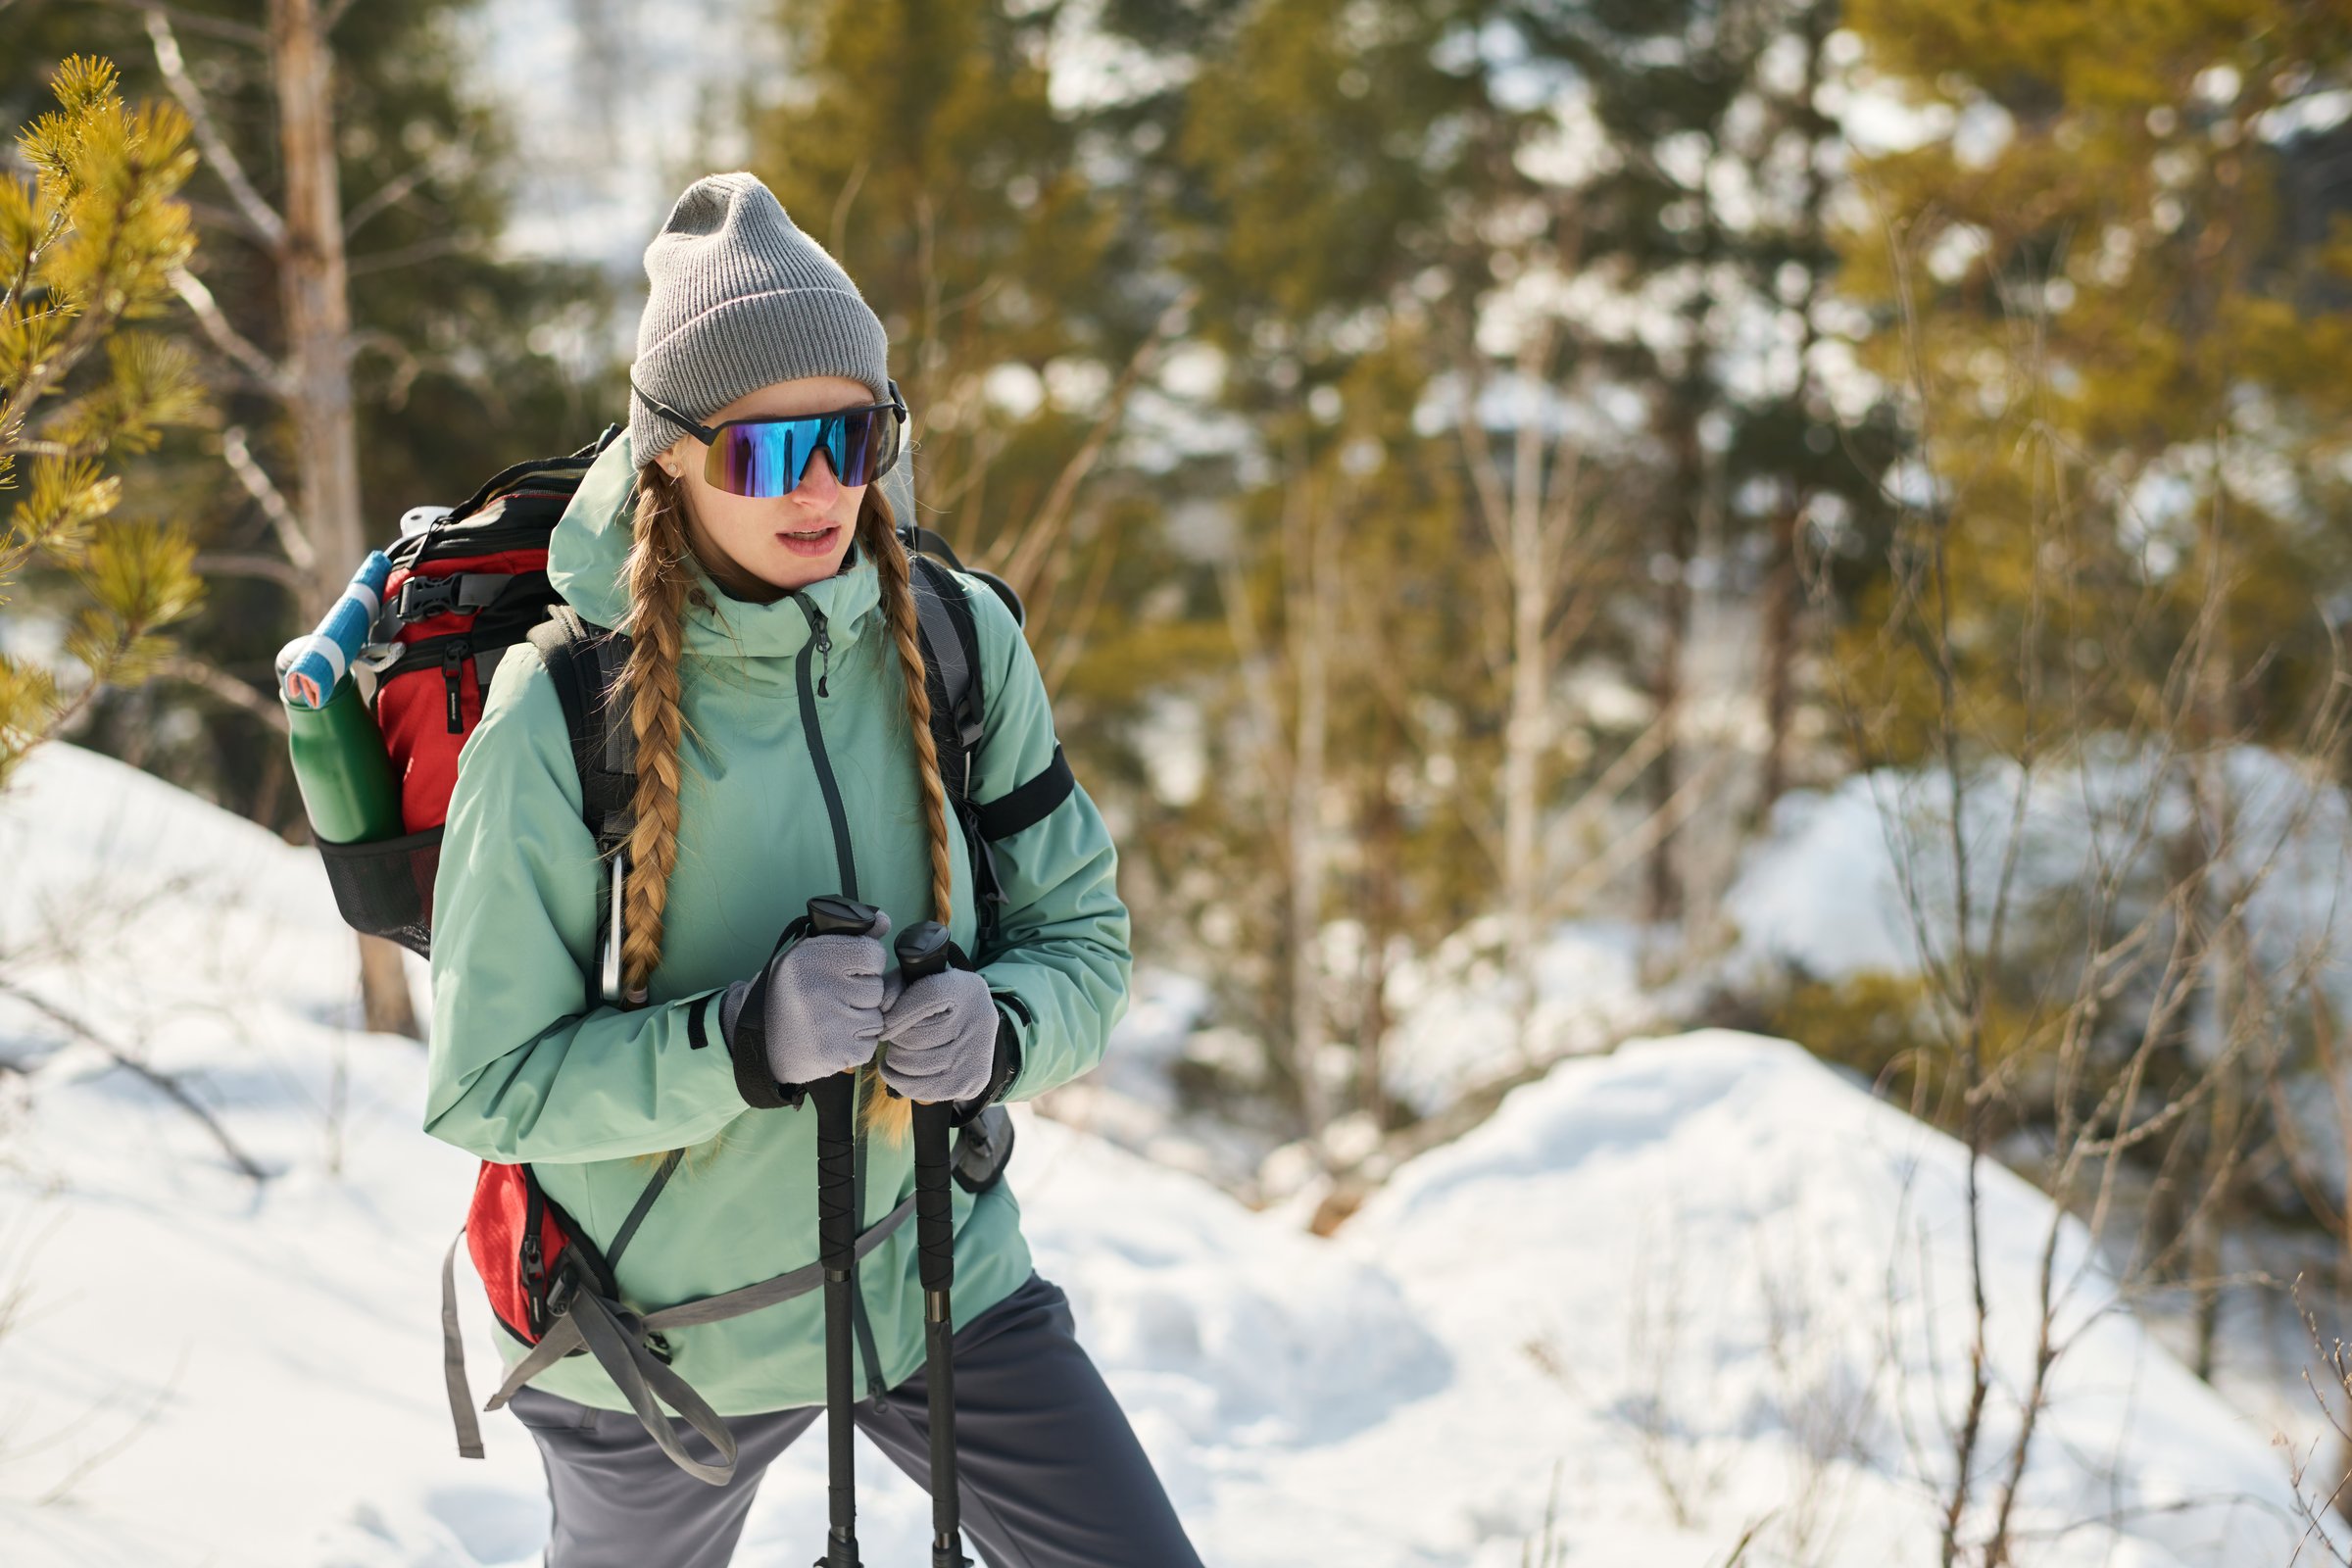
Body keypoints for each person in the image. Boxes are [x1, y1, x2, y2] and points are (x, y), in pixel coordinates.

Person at [422, 171, 1202, 1568]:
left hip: (930, 1284)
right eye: (772, 456)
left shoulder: (960, 641)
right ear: (669, 455)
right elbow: (491, 1085)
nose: (828, 489)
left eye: (855, 438)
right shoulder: (561, 714)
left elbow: (1083, 937)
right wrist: (742, 1040)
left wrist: (1002, 1026)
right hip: (651, 1342)